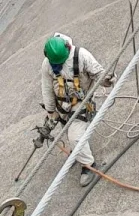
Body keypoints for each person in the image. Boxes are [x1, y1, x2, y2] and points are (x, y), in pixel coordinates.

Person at [41, 32, 115, 186]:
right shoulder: (47, 63)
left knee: (75, 137)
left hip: (81, 102)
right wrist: (50, 111)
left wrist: (107, 80)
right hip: (61, 106)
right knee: (67, 132)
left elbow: (99, 75)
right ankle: (78, 153)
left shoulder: (81, 56)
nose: (57, 67)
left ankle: (88, 165)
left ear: (68, 48)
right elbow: (47, 88)